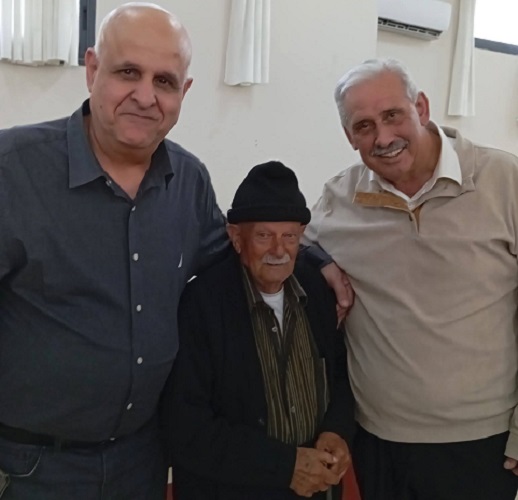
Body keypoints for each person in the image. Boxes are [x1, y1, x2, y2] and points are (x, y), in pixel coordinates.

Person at [0, 3, 228, 499]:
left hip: (141, 461)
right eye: (128, 72)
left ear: (184, 92)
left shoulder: (189, 182)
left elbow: (236, 259)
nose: (145, 96)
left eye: (164, 81)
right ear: (92, 70)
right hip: (29, 468)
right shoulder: (12, 170)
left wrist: (320, 265)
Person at [304, 57, 518, 499]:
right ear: (348, 136)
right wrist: (319, 260)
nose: (383, 138)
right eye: (364, 126)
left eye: (392, 115)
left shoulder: (503, 180)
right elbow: (288, 247)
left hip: (483, 442)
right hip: (378, 441)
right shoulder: (339, 198)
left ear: (421, 107)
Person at [166, 161, 356, 500]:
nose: (279, 250)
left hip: (316, 489)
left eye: (290, 237)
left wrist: (336, 431)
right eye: (264, 236)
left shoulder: (315, 289)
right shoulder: (202, 303)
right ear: (236, 237)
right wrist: (285, 467)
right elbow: (187, 426)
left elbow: (340, 375)